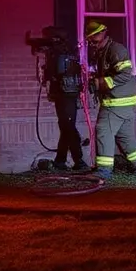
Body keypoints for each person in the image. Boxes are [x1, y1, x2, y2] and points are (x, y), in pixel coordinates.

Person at [85, 21, 136, 176]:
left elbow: (125, 74)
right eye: (90, 40)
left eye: (93, 39)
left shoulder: (116, 49)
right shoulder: (103, 51)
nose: (91, 43)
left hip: (117, 102)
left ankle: (104, 170)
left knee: (103, 130)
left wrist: (100, 83)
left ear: (102, 34)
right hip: (126, 101)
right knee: (124, 136)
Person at [42, 27, 88, 171]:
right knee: (66, 125)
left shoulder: (61, 53)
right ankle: (62, 161)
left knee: (68, 126)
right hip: (64, 94)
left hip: (66, 94)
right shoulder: (63, 52)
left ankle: (76, 161)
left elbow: (56, 72)